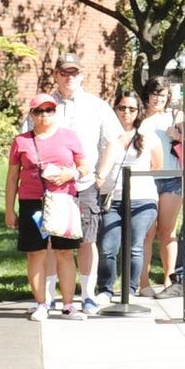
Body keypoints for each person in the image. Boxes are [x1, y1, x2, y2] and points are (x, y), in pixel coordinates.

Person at [38, 51, 123, 317]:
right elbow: (29, 138)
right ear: (56, 75)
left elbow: (115, 140)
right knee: (51, 240)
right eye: (64, 72)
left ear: (82, 75)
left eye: (74, 72)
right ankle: (49, 297)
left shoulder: (96, 106)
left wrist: (100, 176)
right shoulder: (45, 104)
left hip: (84, 184)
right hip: (51, 187)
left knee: (87, 240)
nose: (69, 77)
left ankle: (87, 296)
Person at [5, 93, 86, 320]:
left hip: (63, 200)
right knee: (36, 253)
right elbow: (12, 178)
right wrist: (9, 210)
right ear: (31, 115)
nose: (44, 115)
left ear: (55, 112)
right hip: (32, 201)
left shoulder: (69, 137)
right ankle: (41, 303)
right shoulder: (21, 142)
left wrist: (71, 173)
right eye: (39, 111)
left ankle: (69, 304)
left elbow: (85, 167)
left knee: (65, 252)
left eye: (49, 110)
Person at [96, 90, 161, 300]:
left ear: (138, 111)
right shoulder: (106, 136)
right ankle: (105, 289)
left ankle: (130, 289)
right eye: (121, 108)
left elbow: (157, 168)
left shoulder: (148, 137)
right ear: (115, 109)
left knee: (134, 247)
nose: (126, 112)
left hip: (142, 199)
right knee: (107, 247)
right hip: (111, 198)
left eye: (131, 109)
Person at [138, 82, 183, 294]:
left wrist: (179, 135)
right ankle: (143, 281)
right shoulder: (139, 118)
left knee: (168, 231)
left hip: (172, 177)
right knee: (147, 232)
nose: (158, 98)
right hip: (145, 179)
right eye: (155, 94)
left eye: (163, 94)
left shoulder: (176, 116)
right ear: (147, 95)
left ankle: (168, 279)